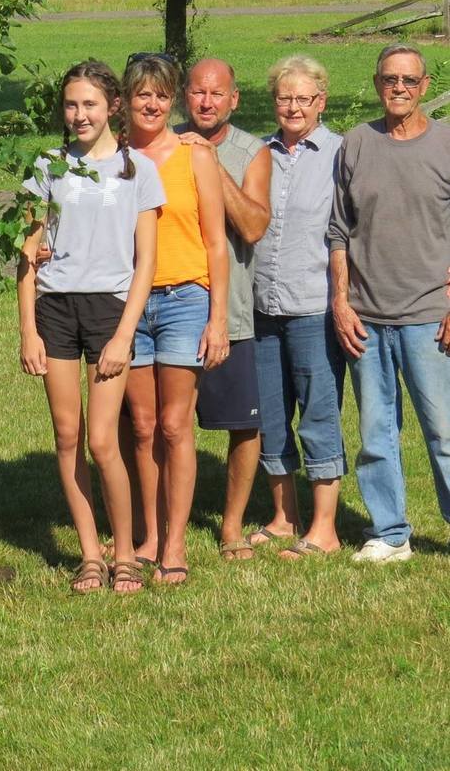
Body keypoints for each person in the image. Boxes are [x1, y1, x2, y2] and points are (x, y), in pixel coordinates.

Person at [18, 60, 163, 594]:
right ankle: (89, 555)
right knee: (67, 436)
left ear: (112, 108)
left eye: (90, 105)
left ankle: (124, 554)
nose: (79, 114)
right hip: (55, 309)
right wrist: (28, 330)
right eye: (71, 105)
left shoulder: (136, 169)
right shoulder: (48, 166)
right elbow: (28, 257)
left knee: (103, 442)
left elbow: (145, 261)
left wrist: (125, 334)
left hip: (109, 311)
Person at [328, 43, 450, 563]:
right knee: (376, 432)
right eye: (389, 79)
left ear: (424, 86)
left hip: (430, 316)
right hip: (367, 317)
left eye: (408, 80)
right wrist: (341, 301)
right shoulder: (355, 144)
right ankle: (390, 532)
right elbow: (338, 231)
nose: (398, 88)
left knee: (444, 430)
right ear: (378, 84)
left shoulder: (446, 144)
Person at [122, 53, 229, 584]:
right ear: (126, 99)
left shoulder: (196, 156)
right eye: (143, 93)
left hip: (186, 298)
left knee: (174, 423)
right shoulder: (114, 156)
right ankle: (148, 534)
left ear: (172, 101)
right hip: (129, 305)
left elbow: (216, 241)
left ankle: (176, 544)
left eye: (162, 95)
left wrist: (219, 320)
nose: (152, 103)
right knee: (142, 427)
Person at [251, 55, 346, 557]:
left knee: (317, 414)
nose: (292, 106)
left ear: (320, 102)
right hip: (262, 305)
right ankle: (285, 517)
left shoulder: (340, 152)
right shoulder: (258, 152)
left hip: (315, 306)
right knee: (270, 414)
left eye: (303, 98)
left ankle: (325, 529)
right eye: (284, 97)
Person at [177, 58, 270, 561]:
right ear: (183, 97)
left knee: (242, 424)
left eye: (217, 93)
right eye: (197, 92)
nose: (206, 102)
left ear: (234, 99)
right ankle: (160, 525)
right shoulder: (161, 141)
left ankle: (230, 527)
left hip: (230, 312)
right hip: (166, 308)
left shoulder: (251, 151)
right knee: (164, 423)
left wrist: (211, 165)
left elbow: (254, 226)